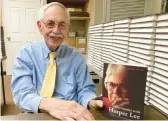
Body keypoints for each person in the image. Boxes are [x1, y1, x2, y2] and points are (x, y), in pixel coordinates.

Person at [11, 2, 103, 120]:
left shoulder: (77, 57)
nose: (56, 30)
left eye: (62, 25)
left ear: (67, 28)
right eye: (50, 23)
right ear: (39, 26)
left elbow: (85, 90)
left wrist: (91, 101)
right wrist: (52, 105)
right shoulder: (25, 54)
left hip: (71, 116)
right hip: (36, 114)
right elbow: (21, 94)